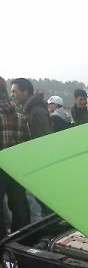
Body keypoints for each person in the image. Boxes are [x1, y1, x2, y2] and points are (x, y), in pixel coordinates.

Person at [11, 77, 53, 219]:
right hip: (35, 163)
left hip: (39, 165)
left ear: (26, 91)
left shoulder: (37, 112)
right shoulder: (29, 110)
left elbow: (44, 141)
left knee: (40, 201)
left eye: (15, 91)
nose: (12, 95)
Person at [0, 76, 30, 239]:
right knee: (19, 204)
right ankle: (22, 241)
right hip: (17, 165)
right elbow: (27, 141)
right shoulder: (20, 113)